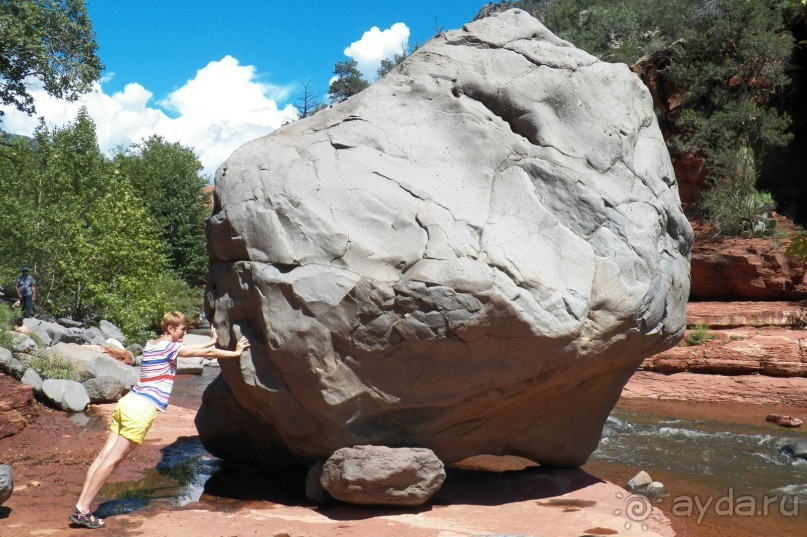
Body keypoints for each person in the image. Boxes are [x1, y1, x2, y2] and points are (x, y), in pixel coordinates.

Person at [68, 311, 250, 529]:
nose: (185, 332)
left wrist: (211, 340)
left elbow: (196, 350)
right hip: (140, 409)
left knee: (103, 456)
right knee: (112, 460)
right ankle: (84, 510)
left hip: (127, 403)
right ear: (171, 329)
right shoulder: (170, 348)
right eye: (182, 329)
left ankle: (81, 505)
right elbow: (205, 352)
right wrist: (236, 352)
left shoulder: (152, 344)